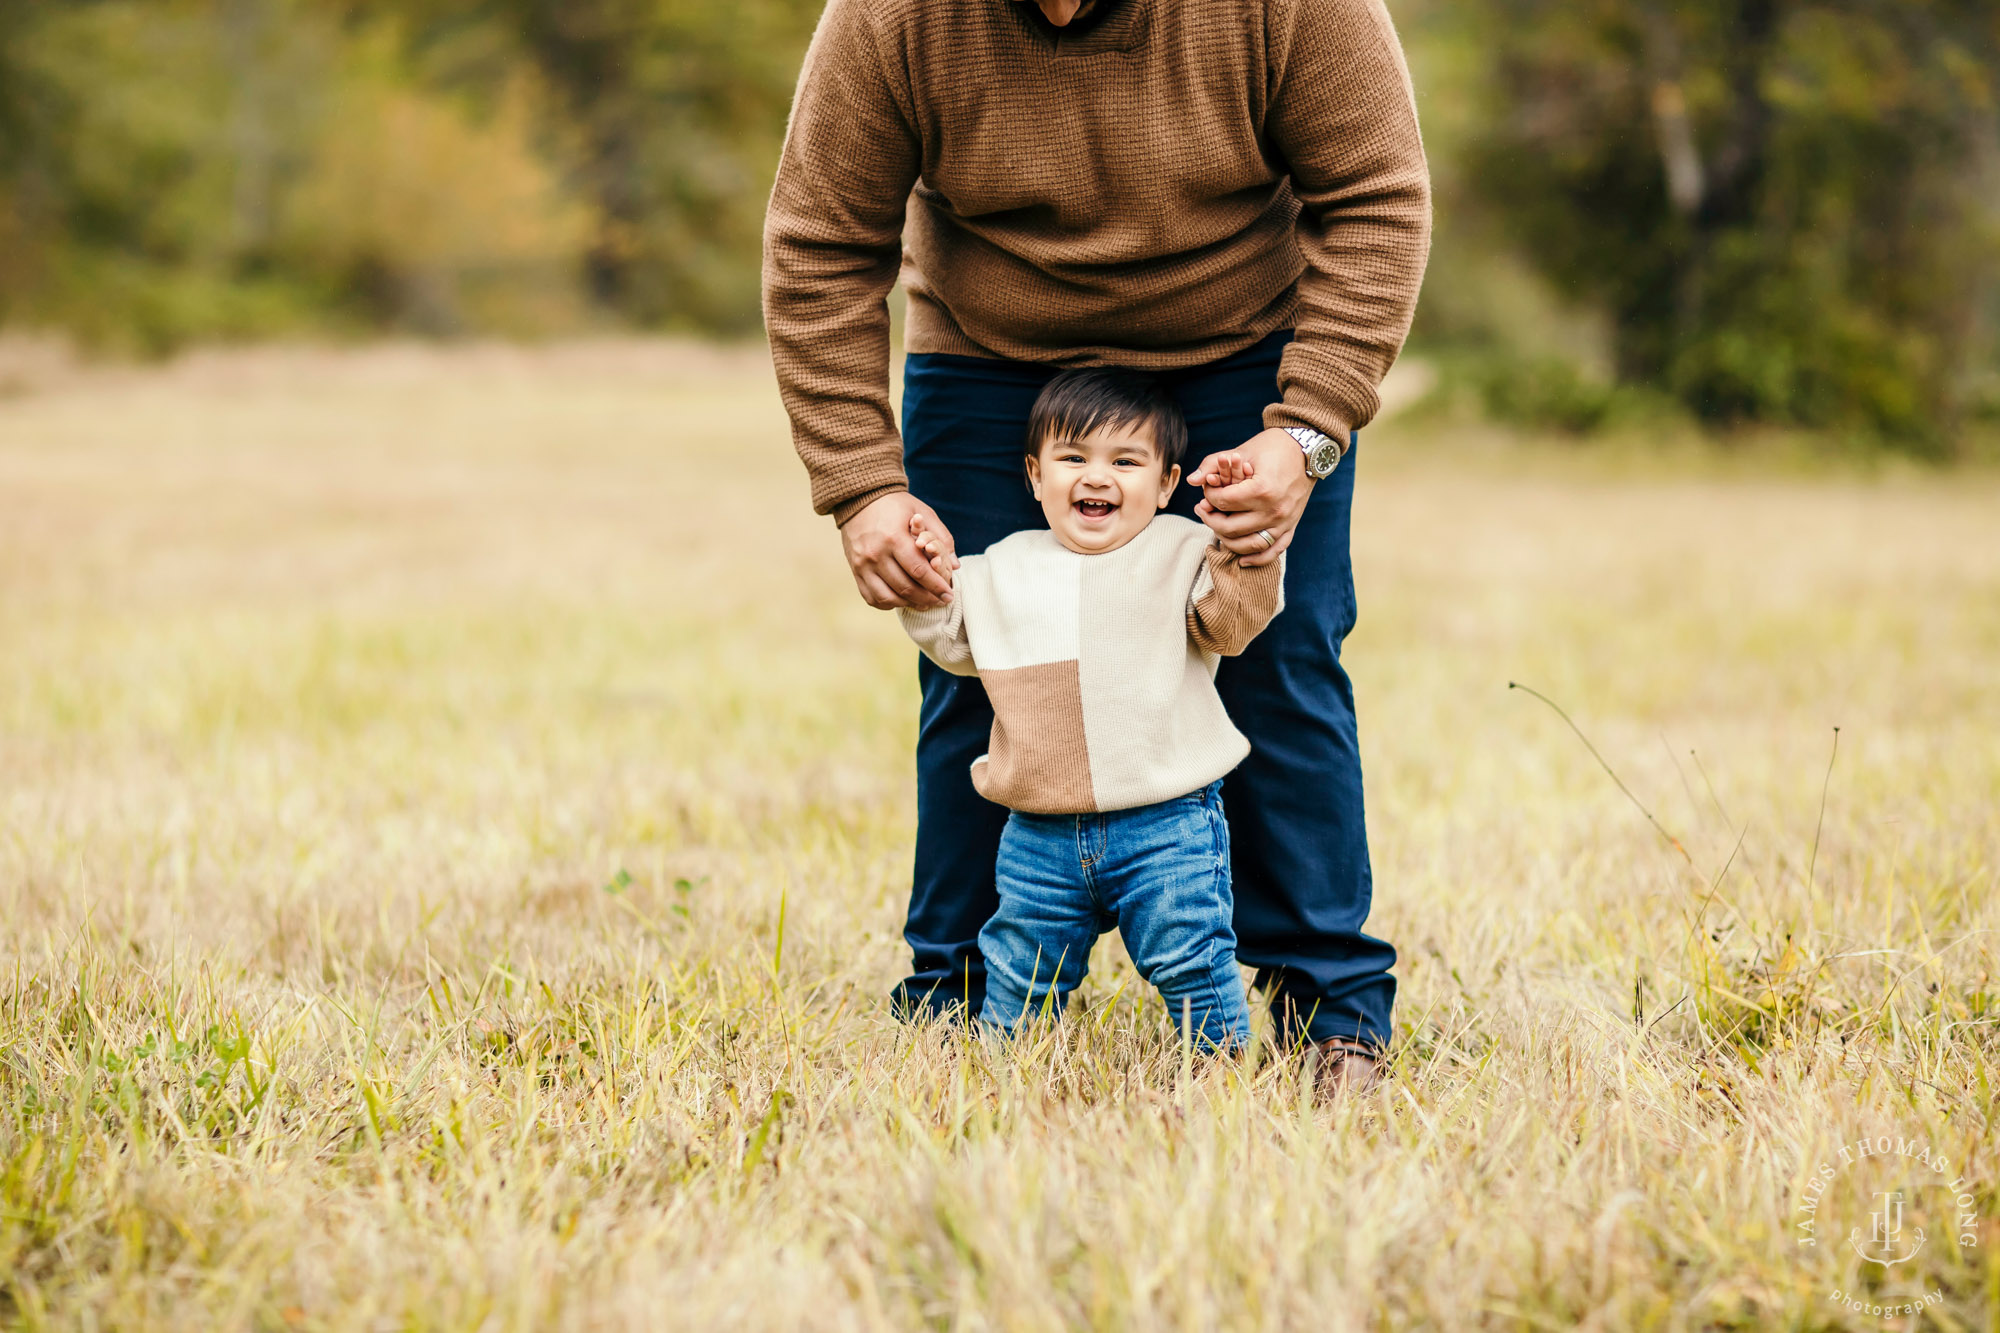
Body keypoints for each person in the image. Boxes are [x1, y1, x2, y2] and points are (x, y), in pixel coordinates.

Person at [762, 0, 1431, 1091]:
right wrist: (860, 485)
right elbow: (819, 244)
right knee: (980, 664)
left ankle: (1328, 1013)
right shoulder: (891, 18)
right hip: (989, 353)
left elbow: (1375, 200)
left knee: (1281, 653)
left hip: (1240, 349)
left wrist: (1305, 430)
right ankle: (959, 999)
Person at [900, 369, 1282, 1050]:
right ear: (1035, 474)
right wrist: (925, 577)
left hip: (1168, 824)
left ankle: (1220, 1065)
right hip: (1038, 830)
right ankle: (999, 1073)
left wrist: (1246, 549)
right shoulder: (1002, 567)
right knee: (1020, 969)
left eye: (1125, 461)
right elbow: (953, 641)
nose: (1096, 476)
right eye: (1073, 457)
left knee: (1190, 954)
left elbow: (1232, 624)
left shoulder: (1181, 551)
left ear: (1166, 483)